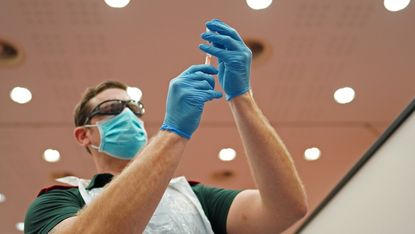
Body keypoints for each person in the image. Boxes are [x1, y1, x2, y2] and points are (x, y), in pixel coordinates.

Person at [24, 19, 308, 234]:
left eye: (135, 108)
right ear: (84, 135)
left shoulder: (195, 197)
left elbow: (286, 209)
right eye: (113, 108)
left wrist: (242, 98)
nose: (129, 115)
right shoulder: (55, 203)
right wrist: (173, 132)